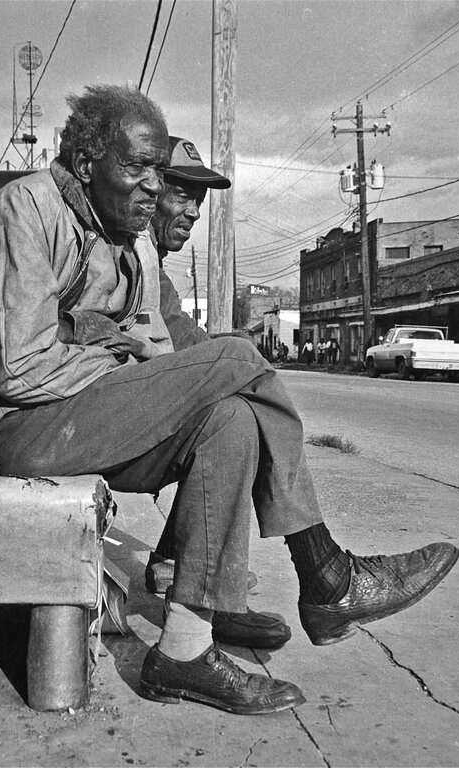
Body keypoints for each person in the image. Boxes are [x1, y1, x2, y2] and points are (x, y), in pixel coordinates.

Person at [0, 85, 459, 716]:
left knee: (231, 418)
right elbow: (12, 366)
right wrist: (118, 345)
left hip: (74, 417)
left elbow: (161, 345)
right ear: (86, 164)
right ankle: (327, 572)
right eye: (135, 169)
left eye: (154, 173)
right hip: (4, 428)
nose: (150, 187)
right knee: (238, 359)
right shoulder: (24, 212)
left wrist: (130, 353)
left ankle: (186, 650)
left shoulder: (125, 243)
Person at [142, 135, 291, 652]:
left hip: (129, 405)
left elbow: (182, 334)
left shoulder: (153, 266)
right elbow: (174, 347)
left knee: (232, 409)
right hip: (92, 416)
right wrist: (230, 358)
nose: (192, 212)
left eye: (198, 202)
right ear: (147, 188)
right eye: (180, 195)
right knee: (236, 392)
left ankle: (189, 575)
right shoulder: (131, 253)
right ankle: (321, 564)